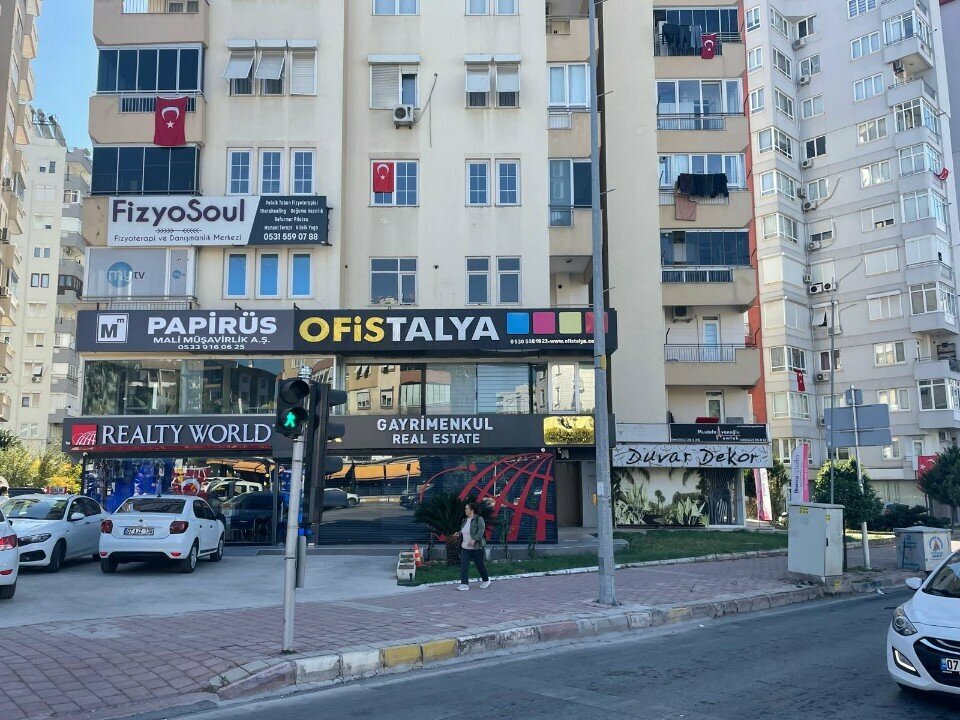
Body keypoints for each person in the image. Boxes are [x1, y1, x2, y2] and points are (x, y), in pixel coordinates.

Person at [456, 502, 490, 591]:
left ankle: (486, 580)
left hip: (476, 548)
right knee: (464, 566)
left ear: (472, 510)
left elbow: (481, 531)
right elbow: (464, 530)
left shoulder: (479, 519)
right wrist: (458, 533)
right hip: (465, 547)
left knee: (479, 565)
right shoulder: (465, 520)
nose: (465, 510)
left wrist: (474, 539)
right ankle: (464, 584)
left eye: (466, 509)